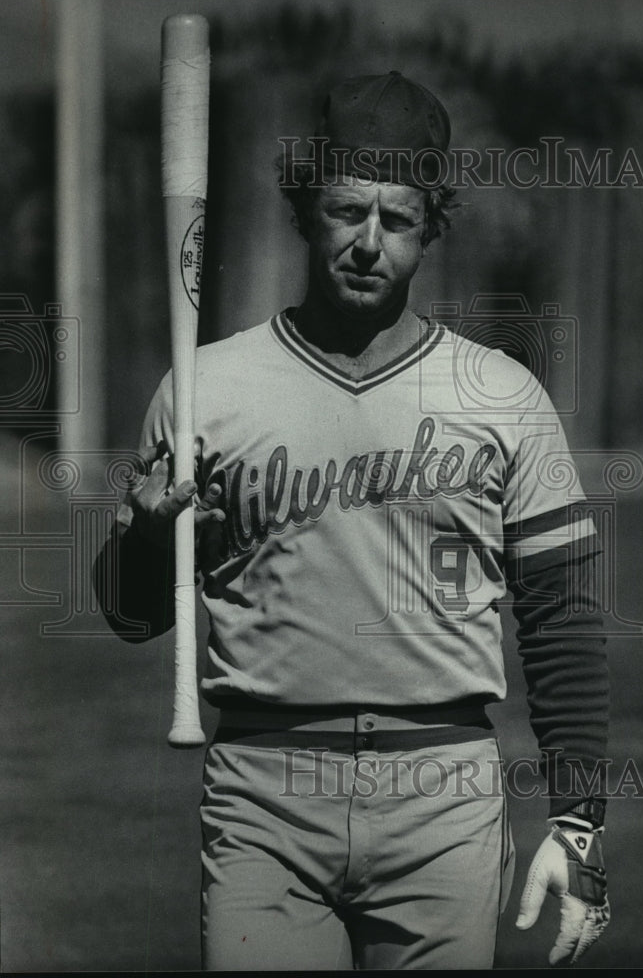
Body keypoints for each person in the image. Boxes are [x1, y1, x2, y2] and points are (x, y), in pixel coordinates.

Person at [95, 71, 610, 970]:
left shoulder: (501, 395)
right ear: (305, 210)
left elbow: (559, 620)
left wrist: (577, 821)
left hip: (444, 793)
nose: (369, 243)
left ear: (430, 229)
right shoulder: (204, 390)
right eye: (346, 211)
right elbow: (135, 617)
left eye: (398, 220)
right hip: (262, 796)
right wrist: (146, 537)